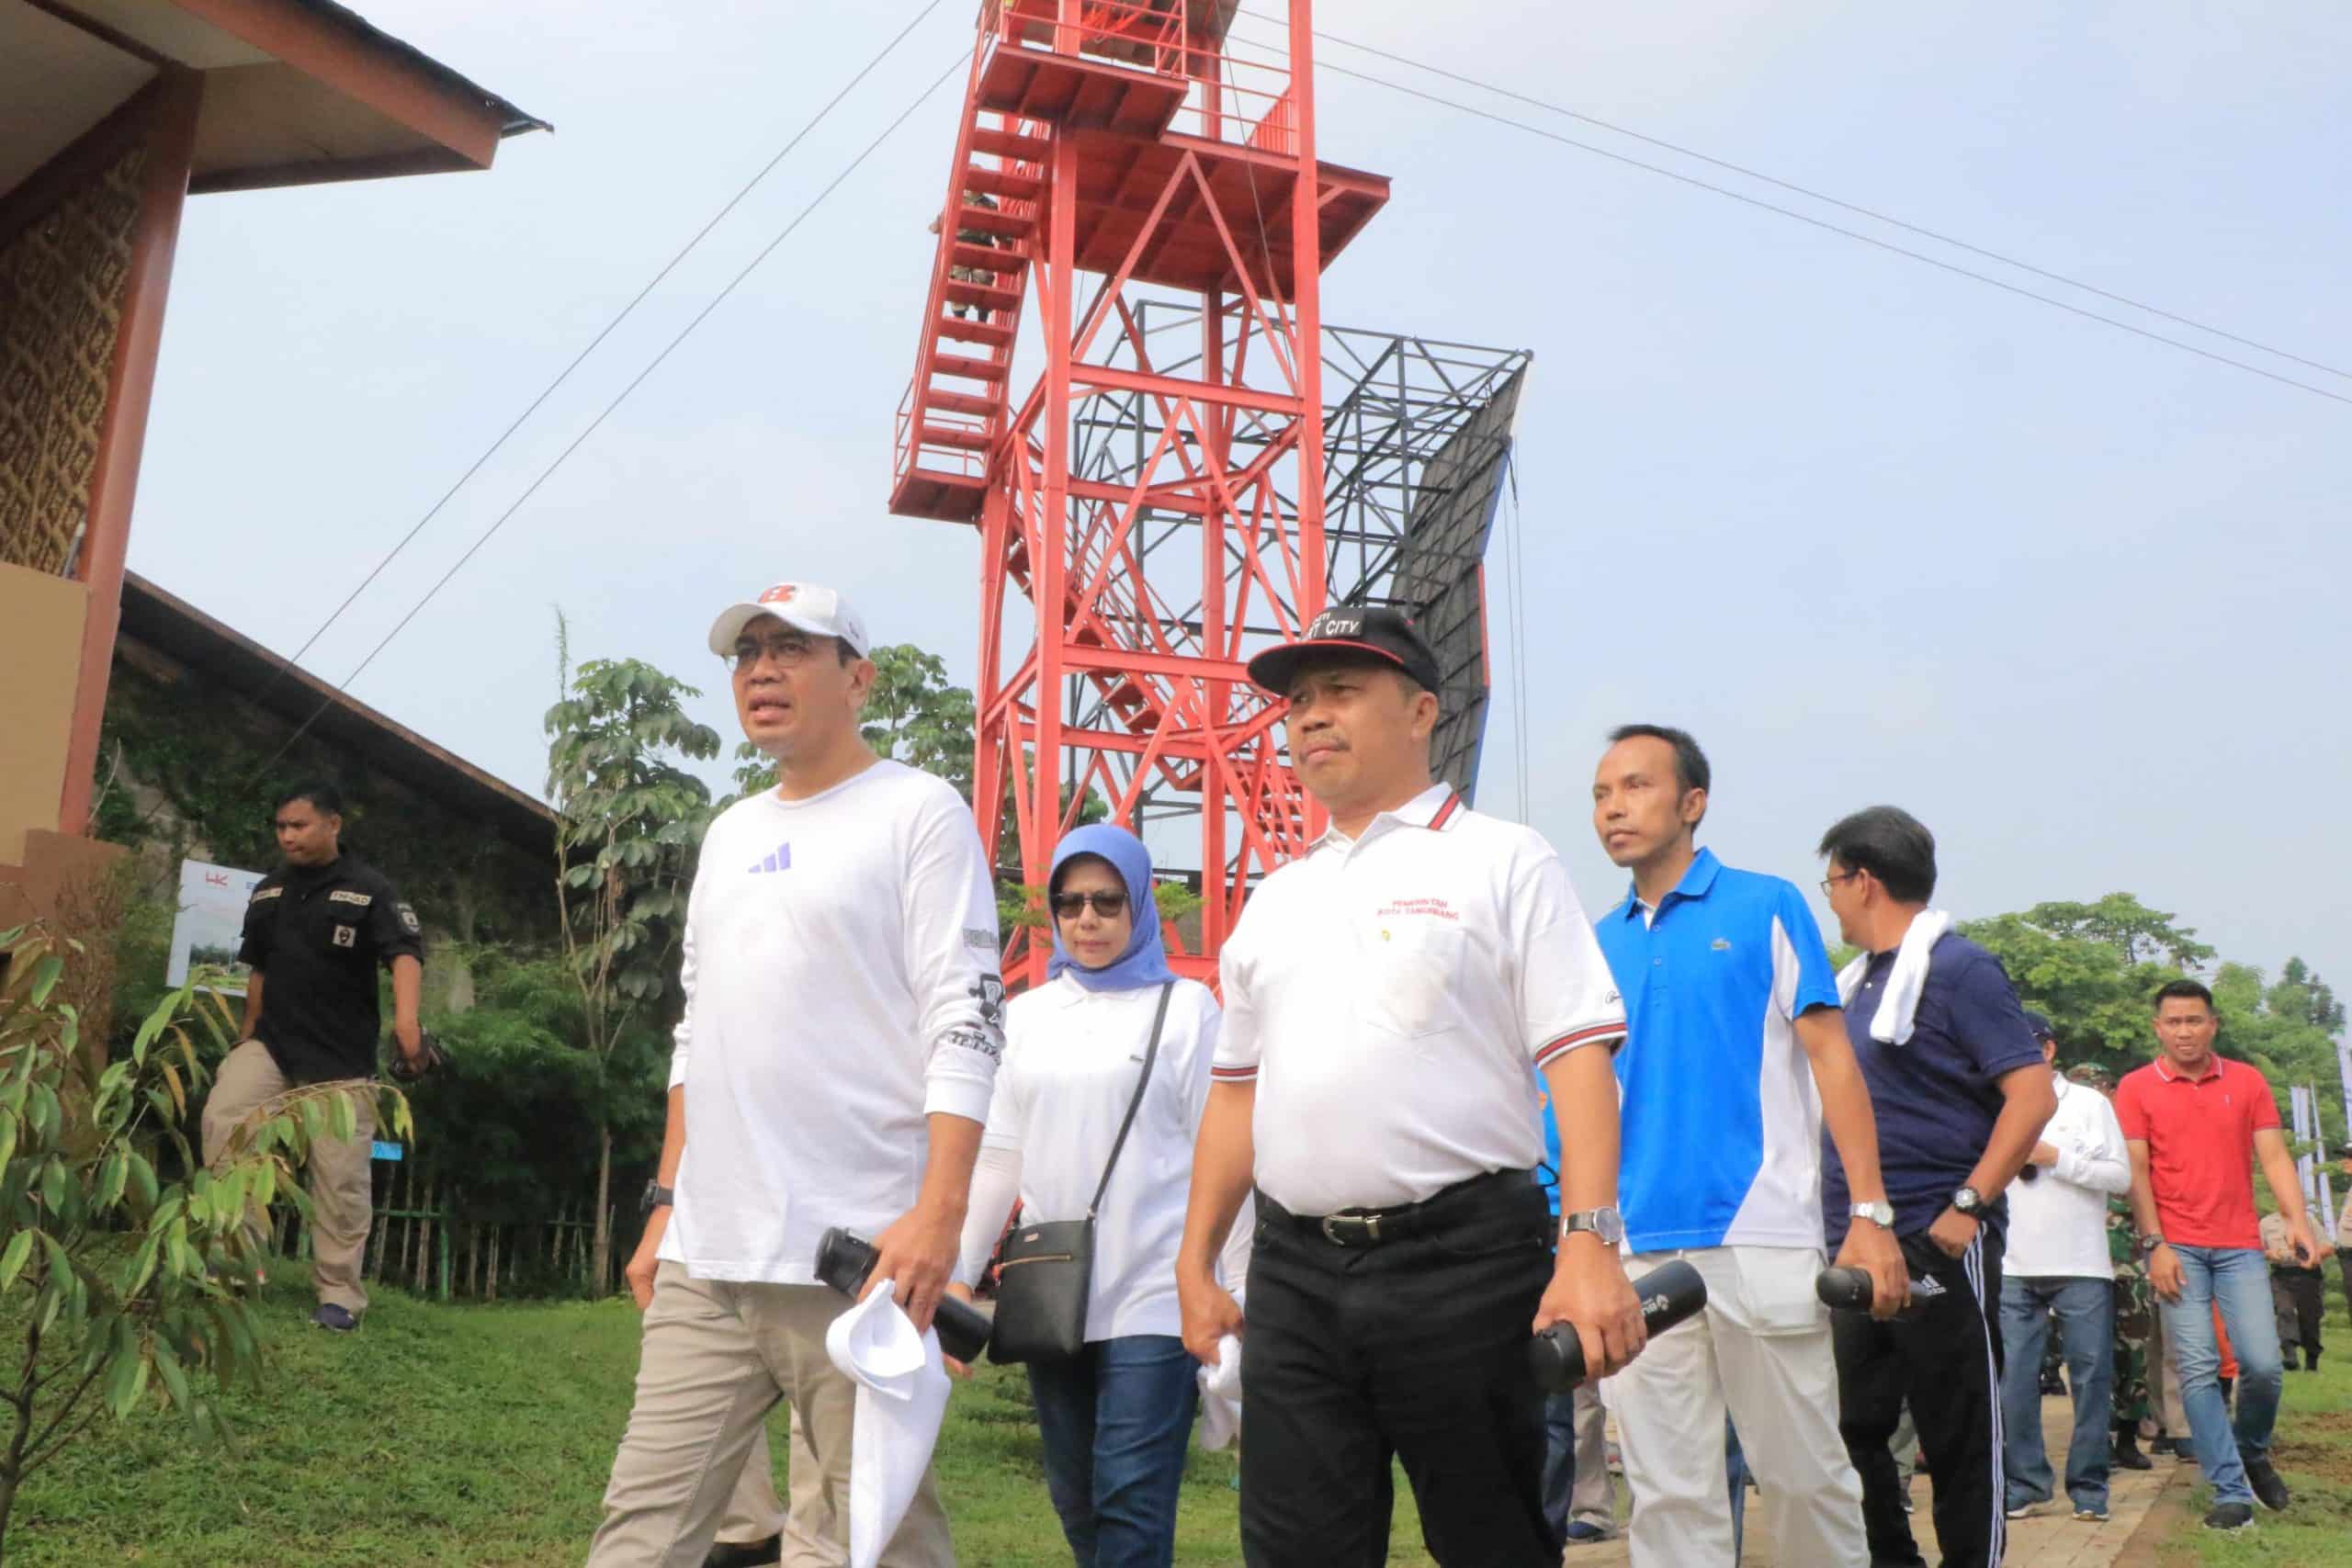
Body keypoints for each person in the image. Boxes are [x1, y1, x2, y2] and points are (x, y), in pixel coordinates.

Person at [1172, 605, 1645, 1568]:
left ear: (1422, 709)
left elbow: (1578, 1058)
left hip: (1463, 1264)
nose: (1311, 717)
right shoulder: (1277, 898)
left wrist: (1589, 1245)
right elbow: (1234, 1096)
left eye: (1341, 691)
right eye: (1298, 701)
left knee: (1489, 1542)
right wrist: (1195, 1260)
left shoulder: (1501, 859)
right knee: (1297, 1548)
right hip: (1296, 1276)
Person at [588, 581, 1004, 1567]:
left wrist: (940, 1219)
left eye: (792, 649)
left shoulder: (918, 812)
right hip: (709, 1254)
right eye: (747, 654)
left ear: (857, 678)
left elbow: (969, 1019)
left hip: (855, 1258)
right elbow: (700, 1032)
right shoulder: (730, 834)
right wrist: (663, 1205)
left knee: (869, 1540)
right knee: (640, 1532)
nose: (762, 670)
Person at [1586, 726, 1901, 1568]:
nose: (1614, 806)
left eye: (1637, 786)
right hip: (1637, 1251)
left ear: (1693, 802)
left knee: (1804, 1481)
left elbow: (1834, 1058)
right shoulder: (1594, 940)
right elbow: (1581, 1107)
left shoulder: (1765, 905)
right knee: (1668, 1495)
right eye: (1601, 792)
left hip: (1760, 1234)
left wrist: (1869, 1213)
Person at [949, 824, 1222, 1568]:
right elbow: (1000, 1156)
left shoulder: (1186, 1010)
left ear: (1138, 903)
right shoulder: (1028, 1015)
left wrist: (1235, 1289)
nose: (1087, 919)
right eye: (1070, 903)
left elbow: (1223, 1158)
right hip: (1052, 1293)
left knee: (1129, 1496)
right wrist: (955, 1275)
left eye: (1107, 900)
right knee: (1074, 1494)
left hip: (1155, 1293)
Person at [1815, 806, 2057, 1568]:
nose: (1827, 897)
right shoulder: (1856, 986)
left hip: (1937, 1231)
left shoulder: (1961, 969)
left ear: (1864, 880)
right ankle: (1893, 1555)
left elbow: (2033, 1094)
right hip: (1858, 1239)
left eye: (1830, 881)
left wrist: (1969, 1204)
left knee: (1957, 1429)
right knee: (1853, 1424)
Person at [205, 781, 424, 1333]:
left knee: (341, 1177)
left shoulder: (370, 890)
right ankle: (234, 1265)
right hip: (272, 1045)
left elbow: (403, 953)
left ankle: (338, 1295)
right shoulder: (269, 891)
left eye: (298, 825)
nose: (288, 836)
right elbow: (258, 969)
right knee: (224, 1121)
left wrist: (406, 1026)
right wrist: (246, 1036)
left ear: (334, 824)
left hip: (341, 1061)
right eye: (281, 827)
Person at [2117, 978, 2324, 1532]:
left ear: (2213, 1025)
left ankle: (2251, 1449)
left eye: (2195, 1020)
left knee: (2262, 1364)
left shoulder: (2247, 1080)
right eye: (2174, 1022)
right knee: (2200, 1370)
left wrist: (2298, 1222)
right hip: (2176, 1246)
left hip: (2239, 1247)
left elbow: (2276, 1158)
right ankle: (2229, 1491)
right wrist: (2154, 1245)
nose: (2184, 1031)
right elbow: (2136, 1173)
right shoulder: (2136, 1088)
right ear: (2158, 1028)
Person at [1998, 1012, 2131, 1524]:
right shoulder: (1992, 1101)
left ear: (2048, 1049)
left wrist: (2056, 1157)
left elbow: (2119, 1177)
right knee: (2014, 1380)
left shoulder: (2089, 1102)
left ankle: (2090, 1486)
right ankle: (2027, 1484)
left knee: (2093, 1376)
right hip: (2011, 1262)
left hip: (2081, 1263)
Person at [1534, 1085, 1619, 1548]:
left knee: (1579, 1385)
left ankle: (1588, 1508)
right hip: (1523, 1227)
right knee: (1558, 1389)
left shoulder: (1581, 1066)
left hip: (1583, 1230)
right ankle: (1575, 1509)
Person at [2260, 1209, 2324, 1372]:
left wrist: (2312, 1256)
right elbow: (2256, 1250)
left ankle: (2312, 1360)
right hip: (2281, 1274)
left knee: (2309, 1318)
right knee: (2284, 1310)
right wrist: (2270, 1253)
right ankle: (2289, 1354)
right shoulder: (2266, 1223)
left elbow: (2328, 1247)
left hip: (2308, 1274)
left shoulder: (2308, 1220)